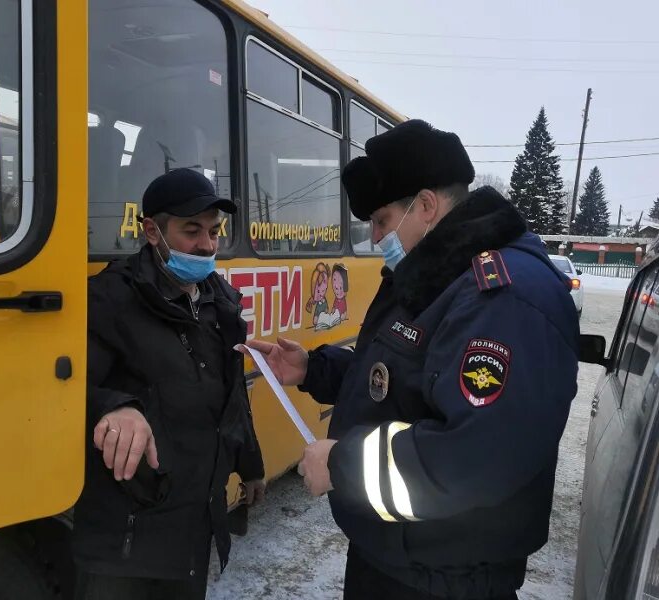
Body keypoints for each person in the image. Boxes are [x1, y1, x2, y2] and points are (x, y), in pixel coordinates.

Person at [244, 120, 579, 599]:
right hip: (400, 559)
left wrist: (343, 467)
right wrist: (313, 369)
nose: (378, 237)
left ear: (425, 206)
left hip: (444, 579)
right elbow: (402, 379)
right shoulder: (438, 275)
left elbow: (474, 458)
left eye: (381, 220)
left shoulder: (502, 298)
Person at [74, 168, 265, 600]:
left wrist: (249, 464)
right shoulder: (109, 299)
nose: (207, 245)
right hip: (124, 538)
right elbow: (59, 391)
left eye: (215, 231)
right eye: (192, 230)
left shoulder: (222, 301)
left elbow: (232, 394)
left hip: (193, 527)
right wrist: (114, 405)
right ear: (153, 232)